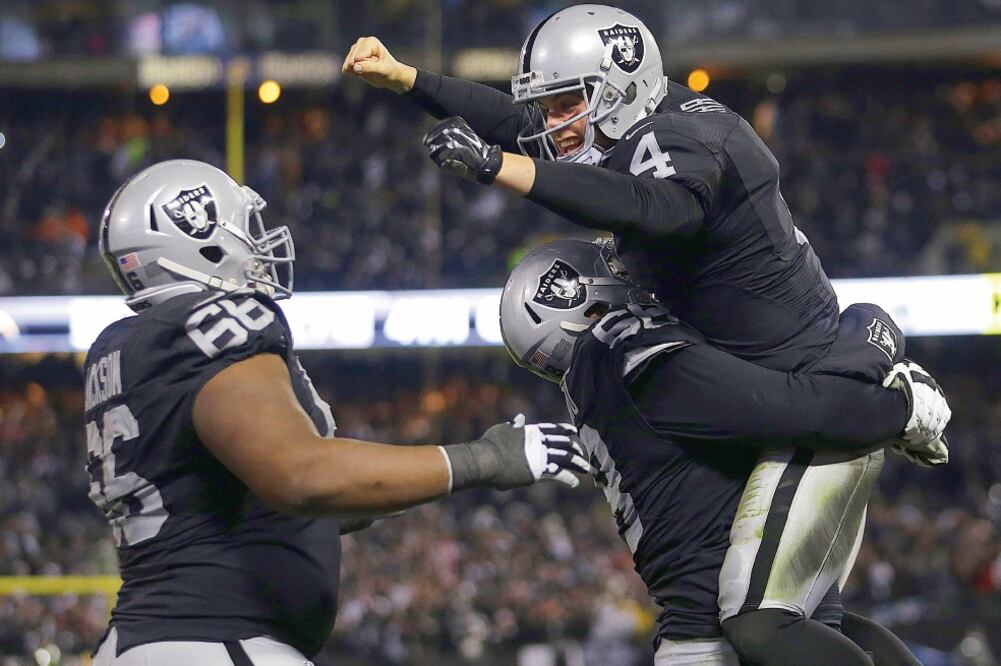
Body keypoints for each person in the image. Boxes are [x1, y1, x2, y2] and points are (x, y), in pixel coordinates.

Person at [341, 6, 948, 663]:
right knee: (786, 618)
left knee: (767, 618)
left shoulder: (616, 354)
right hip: (812, 390)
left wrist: (428, 98)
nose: (548, 125)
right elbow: (778, 407)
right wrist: (880, 365)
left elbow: (651, 207)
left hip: (810, 380)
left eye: (562, 103)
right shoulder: (643, 357)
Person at [86, 159, 590, 665]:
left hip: (155, 641)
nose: (257, 243)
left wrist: (446, 477)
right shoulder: (213, 320)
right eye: (242, 227)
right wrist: (486, 458)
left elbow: (287, 503)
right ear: (199, 238)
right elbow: (303, 476)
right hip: (214, 643)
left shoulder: (126, 346)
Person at [498, 238, 951, 665]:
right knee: (785, 622)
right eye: (607, 269)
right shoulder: (627, 355)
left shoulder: (598, 380)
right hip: (721, 641)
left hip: (708, 631)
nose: (624, 270)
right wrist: (887, 372)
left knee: (835, 627)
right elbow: (801, 410)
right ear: (582, 304)